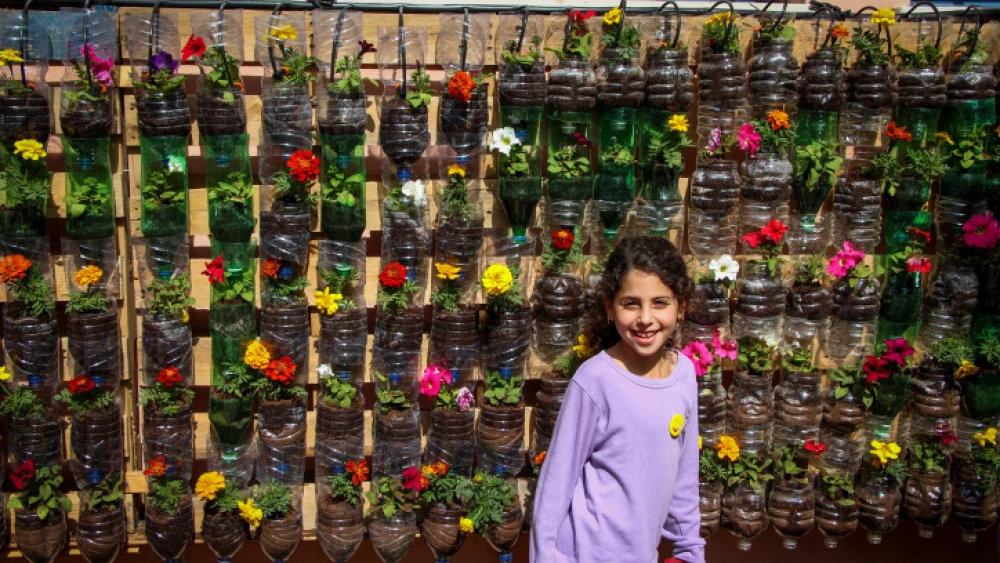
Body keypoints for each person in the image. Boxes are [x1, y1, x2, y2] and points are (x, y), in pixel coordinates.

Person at [530, 236, 704, 563]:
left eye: (660, 302)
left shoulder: (684, 376)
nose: (645, 318)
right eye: (631, 303)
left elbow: (684, 480)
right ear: (610, 307)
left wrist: (690, 551)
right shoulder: (595, 381)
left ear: (681, 307)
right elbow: (555, 484)